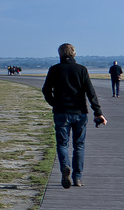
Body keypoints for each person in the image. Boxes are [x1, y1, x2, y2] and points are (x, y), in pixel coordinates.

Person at [43, 43, 106, 189]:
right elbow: (91, 92)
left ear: (60, 54)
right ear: (74, 54)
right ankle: (77, 177)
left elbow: (46, 90)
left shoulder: (54, 69)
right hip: (79, 113)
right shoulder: (81, 70)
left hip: (61, 112)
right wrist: (98, 112)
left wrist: (55, 104)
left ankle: (65, 166)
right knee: (79, 145)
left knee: (62, 144)